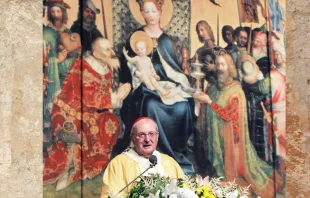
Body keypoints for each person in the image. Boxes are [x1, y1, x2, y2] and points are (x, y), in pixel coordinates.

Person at [117, 0, 195, 174]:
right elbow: (128, 70)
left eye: (154, 11)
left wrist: (182, 84)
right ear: (142, 14)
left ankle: (175, 155)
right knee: (151, 105)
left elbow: (174, 69)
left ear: (160, 12)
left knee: (183, 106)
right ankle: (151, 155)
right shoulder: (135, 37)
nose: (151, 15)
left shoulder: (166, 40)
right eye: (147, 11)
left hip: (165, 84)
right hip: (144, 89)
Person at [43, 38, 131, 190]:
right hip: (69, 110)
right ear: (96, 53)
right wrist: (117, 96)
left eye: (111, 48)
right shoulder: (81, 66)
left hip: (91, 110)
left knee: (111, 123)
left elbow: (104, 95)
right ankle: (68, 168)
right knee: (76, 131)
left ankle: (88, 166)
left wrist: (116, 98)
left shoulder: (106, 68)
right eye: (107, 50)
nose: (112, 52)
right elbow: (89, 97)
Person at [193, 54, 281, 198]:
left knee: (238, 177)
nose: (220, 68)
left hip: (232, 144)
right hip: (216, 139)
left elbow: (228, 115)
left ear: (230, 67)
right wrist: (201, 102)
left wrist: (209, 101)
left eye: (223, 65)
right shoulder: (214, 88)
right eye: (218, 64)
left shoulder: (236, 91)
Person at [101, 117, 185, 197]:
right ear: (133, 138)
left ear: (157, 136)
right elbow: (110, 195)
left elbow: (185, 191)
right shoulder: (118, 164)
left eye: (151, 134)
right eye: (141, 135)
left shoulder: (169, 162)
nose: (147, 139)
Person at [43, 0, 79, 150]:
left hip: (67, 72)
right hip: (51, 74)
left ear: (63, 13)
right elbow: (43, 55)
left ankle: (68, 132)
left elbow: (73, 50)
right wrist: (56, 60)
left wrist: (76, 52)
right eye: (53, 12)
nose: (56, 15)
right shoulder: (47, 32)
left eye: (58, 12)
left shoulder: (68, 31)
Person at [122, 31, 170, 97]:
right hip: (142, 74)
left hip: (149, 73)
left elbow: (151, 67)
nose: (140, 51)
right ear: (135, 50)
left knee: (154, 81)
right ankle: (153, 89)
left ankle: (162, 91)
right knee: (147, 80)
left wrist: (154, 74)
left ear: (146, 49)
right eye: (137, 49)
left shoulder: (148, 59)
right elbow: (129, 60)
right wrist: (125, 54)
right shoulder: (136, 58)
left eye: (142, 49)